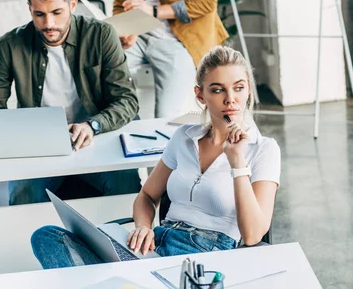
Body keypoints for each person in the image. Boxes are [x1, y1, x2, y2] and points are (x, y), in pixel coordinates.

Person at [31, 46, 281, 268]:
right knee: (47, 237)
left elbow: (252, 235)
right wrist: (143, 227)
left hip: (203, 256)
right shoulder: (184, 136)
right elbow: (147, 196)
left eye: (239, 88)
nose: (231, 99)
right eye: (218, 90)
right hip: (157, 243)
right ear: (200, 95)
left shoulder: (263, 149)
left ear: (248, 89)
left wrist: (237, 163)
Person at [0, 0, 142, 205]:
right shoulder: (9, 45)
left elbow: (127, 101)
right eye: (39, 14)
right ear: (29, 8)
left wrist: (93, 125)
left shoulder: (101, 35)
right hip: (37, 147)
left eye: (57, 12)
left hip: (95, 139)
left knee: (126, 188)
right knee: (23, 197)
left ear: (72, 5)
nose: (48, 23)